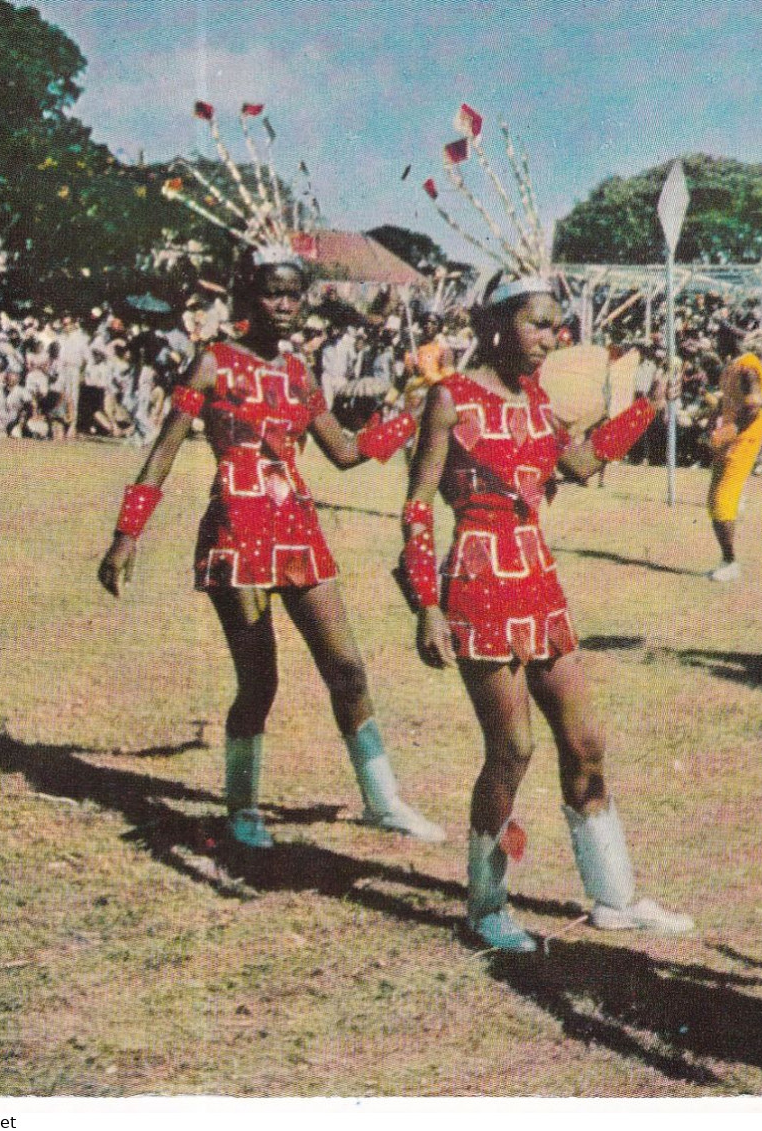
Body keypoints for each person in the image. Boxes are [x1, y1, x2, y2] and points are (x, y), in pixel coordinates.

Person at [98, 250, 443, 850]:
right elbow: (162, 453)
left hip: (298, 531)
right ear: (247, 297)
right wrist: (127, 537)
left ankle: (383, 801)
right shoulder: (211, 365)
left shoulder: (299, 373)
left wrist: (410, 417)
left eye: (294, 294)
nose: (285, 306)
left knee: (348, 669)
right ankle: (241, 808)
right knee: (260, 680)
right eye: (272, 294)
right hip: (236, 530)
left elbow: (343, 452)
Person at [399, 275, 692, 953]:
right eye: (536, 324)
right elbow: (417, 504)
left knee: (585, 744)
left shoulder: (535, 400)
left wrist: (647, 408)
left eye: (555, 326)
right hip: (477, 582)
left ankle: (614, 897)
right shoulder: (451, 397)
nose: (548, 339)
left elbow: (581, 463)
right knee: (512, 748)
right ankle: (486, 902)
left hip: (536, 579)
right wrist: (426, 605)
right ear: (497, 324)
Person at [704, 351, 762, 581]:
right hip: (732, 432)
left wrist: (733, 430)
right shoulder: (732, 366)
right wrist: (713, 419)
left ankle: (731, 562)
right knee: (714, 500)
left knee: (722, 500)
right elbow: (725, 401)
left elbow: (753, 406)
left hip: (745, 434)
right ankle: (725, 560)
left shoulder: (747, 368)